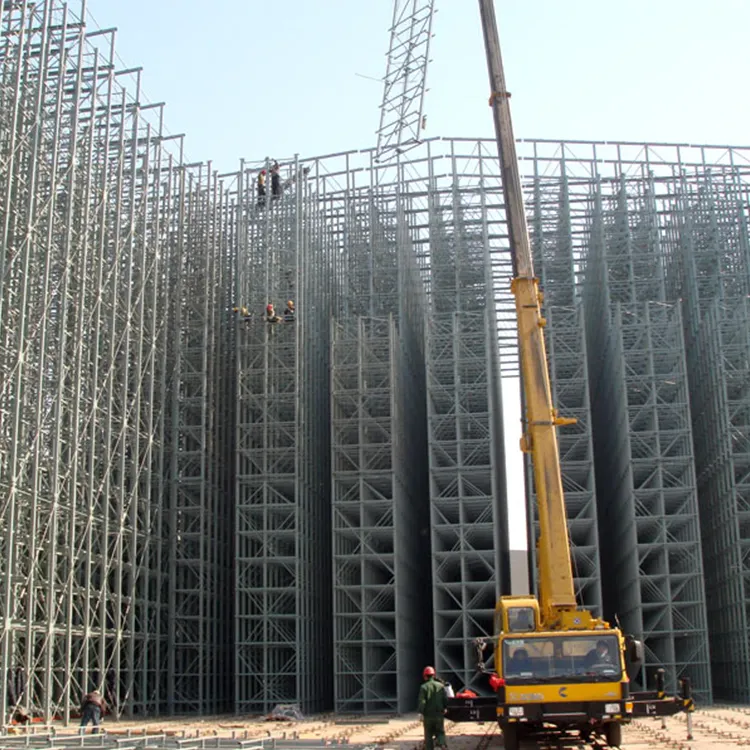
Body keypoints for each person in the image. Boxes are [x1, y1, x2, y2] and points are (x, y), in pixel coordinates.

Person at [418, 665, 448, 750]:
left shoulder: (423, 687)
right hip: (439, 714)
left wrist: (420, 712)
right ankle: (442, 744)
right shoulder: (441, 686)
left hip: (428, 716)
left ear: (425, 676)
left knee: (428, 734)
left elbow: (422, 701)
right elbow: (445, 698)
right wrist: (445, 707)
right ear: (434, 675)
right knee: (440, 731)